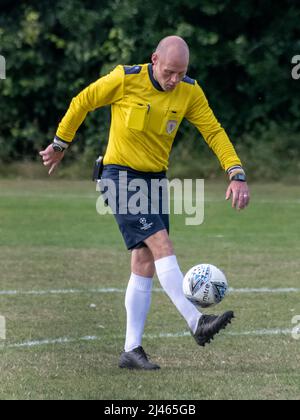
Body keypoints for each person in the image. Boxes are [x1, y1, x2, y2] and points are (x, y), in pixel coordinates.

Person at [40, 36, 250, 370]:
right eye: (169, 72)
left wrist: (235, 172)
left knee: (145, 261)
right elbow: (82, 101)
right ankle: (196, 322)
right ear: (154, 59)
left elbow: (214, 131)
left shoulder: (189, 92)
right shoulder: (125, 79)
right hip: (119, 177)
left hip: (154, 180)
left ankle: (131, 351)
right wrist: (60, 144)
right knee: (160, 242)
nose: (174, 80)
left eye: (181, 73)